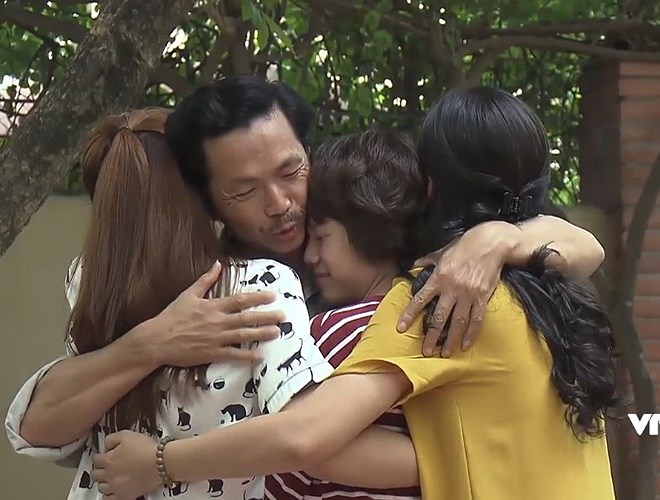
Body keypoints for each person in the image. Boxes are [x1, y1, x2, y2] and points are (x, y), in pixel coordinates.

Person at [91, 88, 616, 500]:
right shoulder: (563, 298)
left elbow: (306, 437)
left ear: (427, 188)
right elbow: (586, 247)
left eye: (289, 171)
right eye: (244, 188)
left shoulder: (438, 300)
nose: (279, 204)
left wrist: (159, 462)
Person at [6, 108, 419, 499]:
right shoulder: (260, 286)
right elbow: (306, 436)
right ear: (207, 196)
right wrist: (154, 344)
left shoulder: (95, 287)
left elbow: (32, 430)